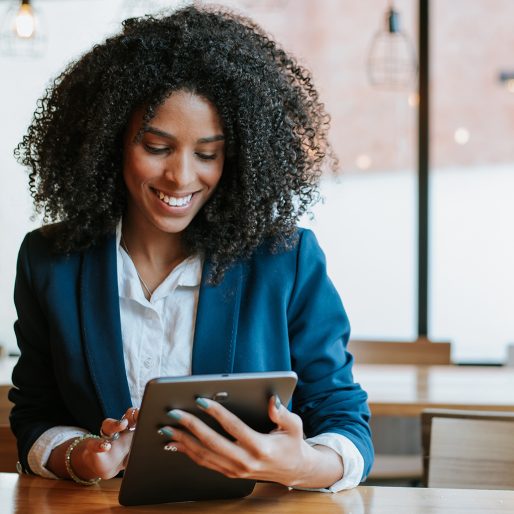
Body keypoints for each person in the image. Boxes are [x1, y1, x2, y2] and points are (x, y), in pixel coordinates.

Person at [9, 4, 373, 491]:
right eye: (156, 147)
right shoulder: (49, 261)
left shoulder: (286, 259)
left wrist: (303, 463)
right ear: (109, 140)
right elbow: (35, 414)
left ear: (237, 156)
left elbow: (346, 421)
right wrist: (81, 456)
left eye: (207, 154)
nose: (181, 177)